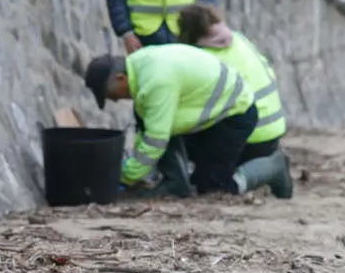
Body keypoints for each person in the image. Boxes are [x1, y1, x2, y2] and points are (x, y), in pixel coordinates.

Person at [83, 45, 277, 196]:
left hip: (234, 116)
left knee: (214, 188)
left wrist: (123, 178)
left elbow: (155, 141)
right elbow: (151, 130)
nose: (115, 100)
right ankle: (176, 184)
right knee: (146, 119)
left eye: (111, 94)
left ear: (120, 78)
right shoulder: (138, 66)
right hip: (213, 116)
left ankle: (275, 167)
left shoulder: (155, 82)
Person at [177, 2, 293, 199]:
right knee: (202, 178)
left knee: (216, 187)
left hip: (250, 135)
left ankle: (274, 167)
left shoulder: (203, 57)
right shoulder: (239, 39)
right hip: (270, 131)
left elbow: (196, 113)